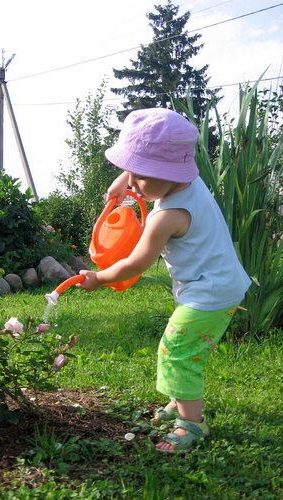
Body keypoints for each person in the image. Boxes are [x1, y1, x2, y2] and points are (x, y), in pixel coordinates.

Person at [77, 108, 251, 454]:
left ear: (168, 173)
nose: (132, 183)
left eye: (140, 176)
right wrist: (124, 182)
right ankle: (180, 399)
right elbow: (139, 174)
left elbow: (134, 264)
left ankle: (191, 424)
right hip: (216, 285)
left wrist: (98, 278)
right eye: (131, 172)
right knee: (184, 348)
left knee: (178, 351)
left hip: (210, 293)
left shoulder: (167, 216)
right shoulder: (188, 181)